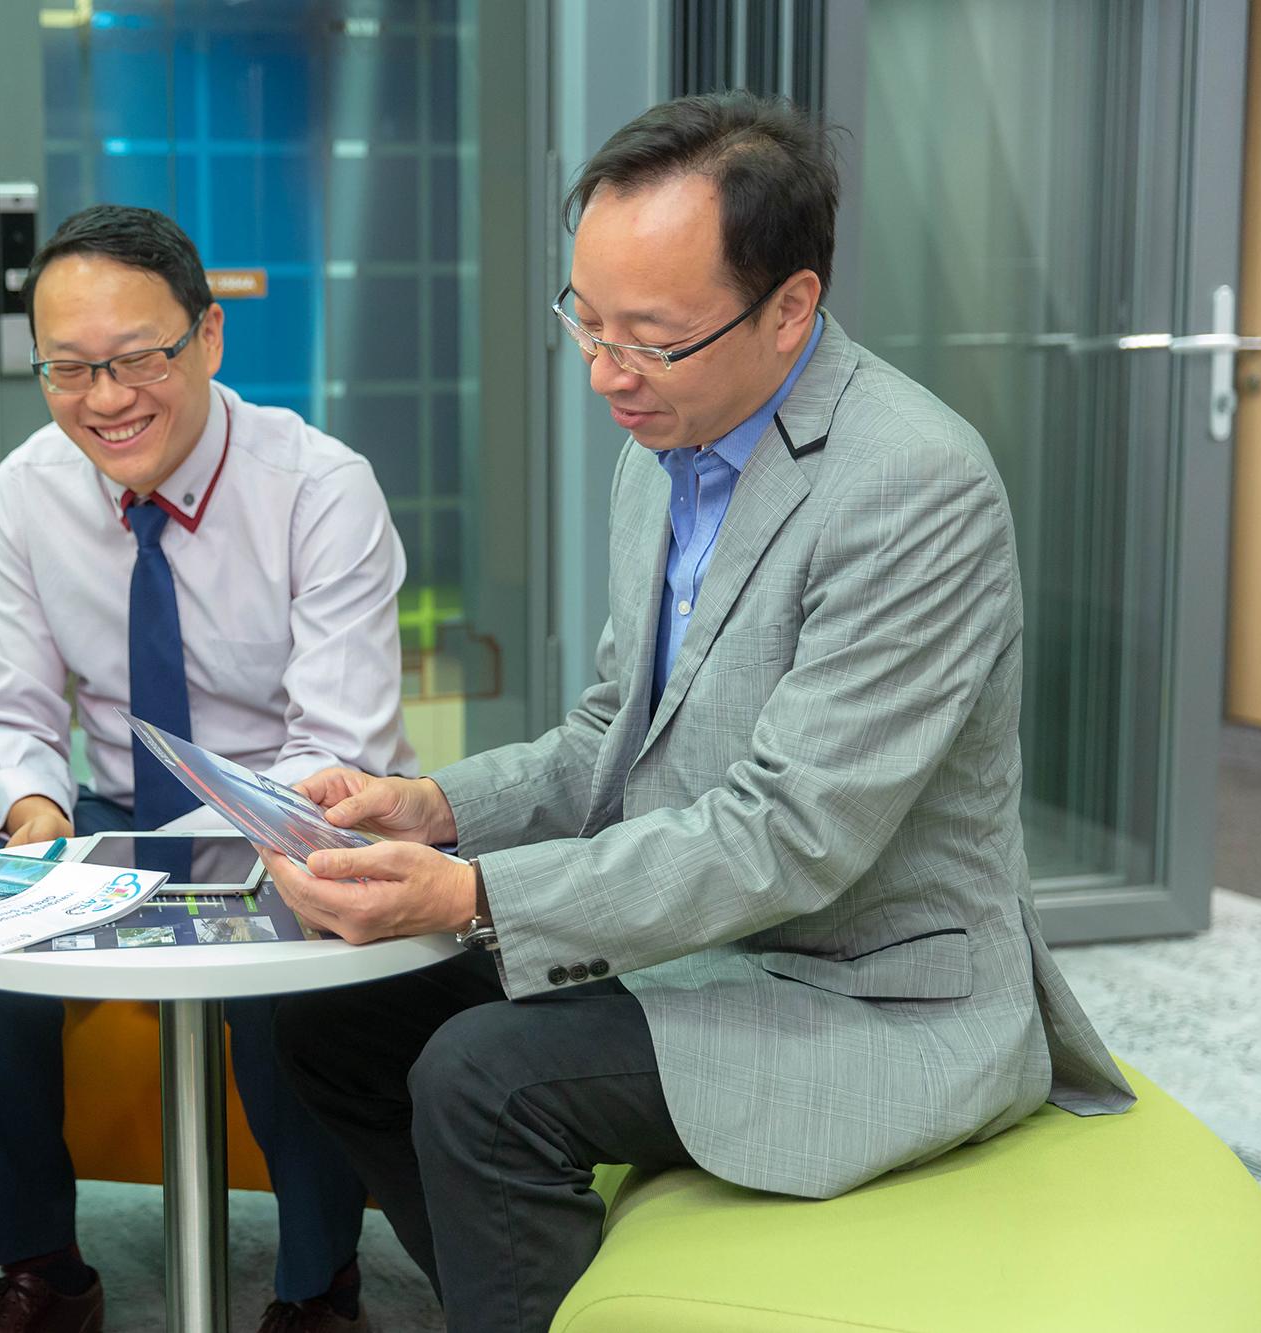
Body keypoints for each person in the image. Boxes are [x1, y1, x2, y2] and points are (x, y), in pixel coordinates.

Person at [263, 92, 1136, 1332]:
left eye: (651, 338)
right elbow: (611, 733)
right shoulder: (663, 444)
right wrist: (435, 806)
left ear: (789, 308)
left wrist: (472, 896)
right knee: (338, 1019)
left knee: (480, 1075)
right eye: (585, 321)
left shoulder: (908, 486)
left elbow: (788, 833)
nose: (605, 372)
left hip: (867, 994)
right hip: (701, 946)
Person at [0, 204, 415, 1333]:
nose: (105, 396)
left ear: (209, 338)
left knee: (301, 925)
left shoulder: (319, 489)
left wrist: (262, 842)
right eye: (69, 367)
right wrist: (33, 812)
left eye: (138, 358)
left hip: (289, 810)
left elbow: (337, 744)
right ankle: (41, 1268)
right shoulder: (25, 492)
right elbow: (7, 713)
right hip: (115, 807)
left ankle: (317, 1282)